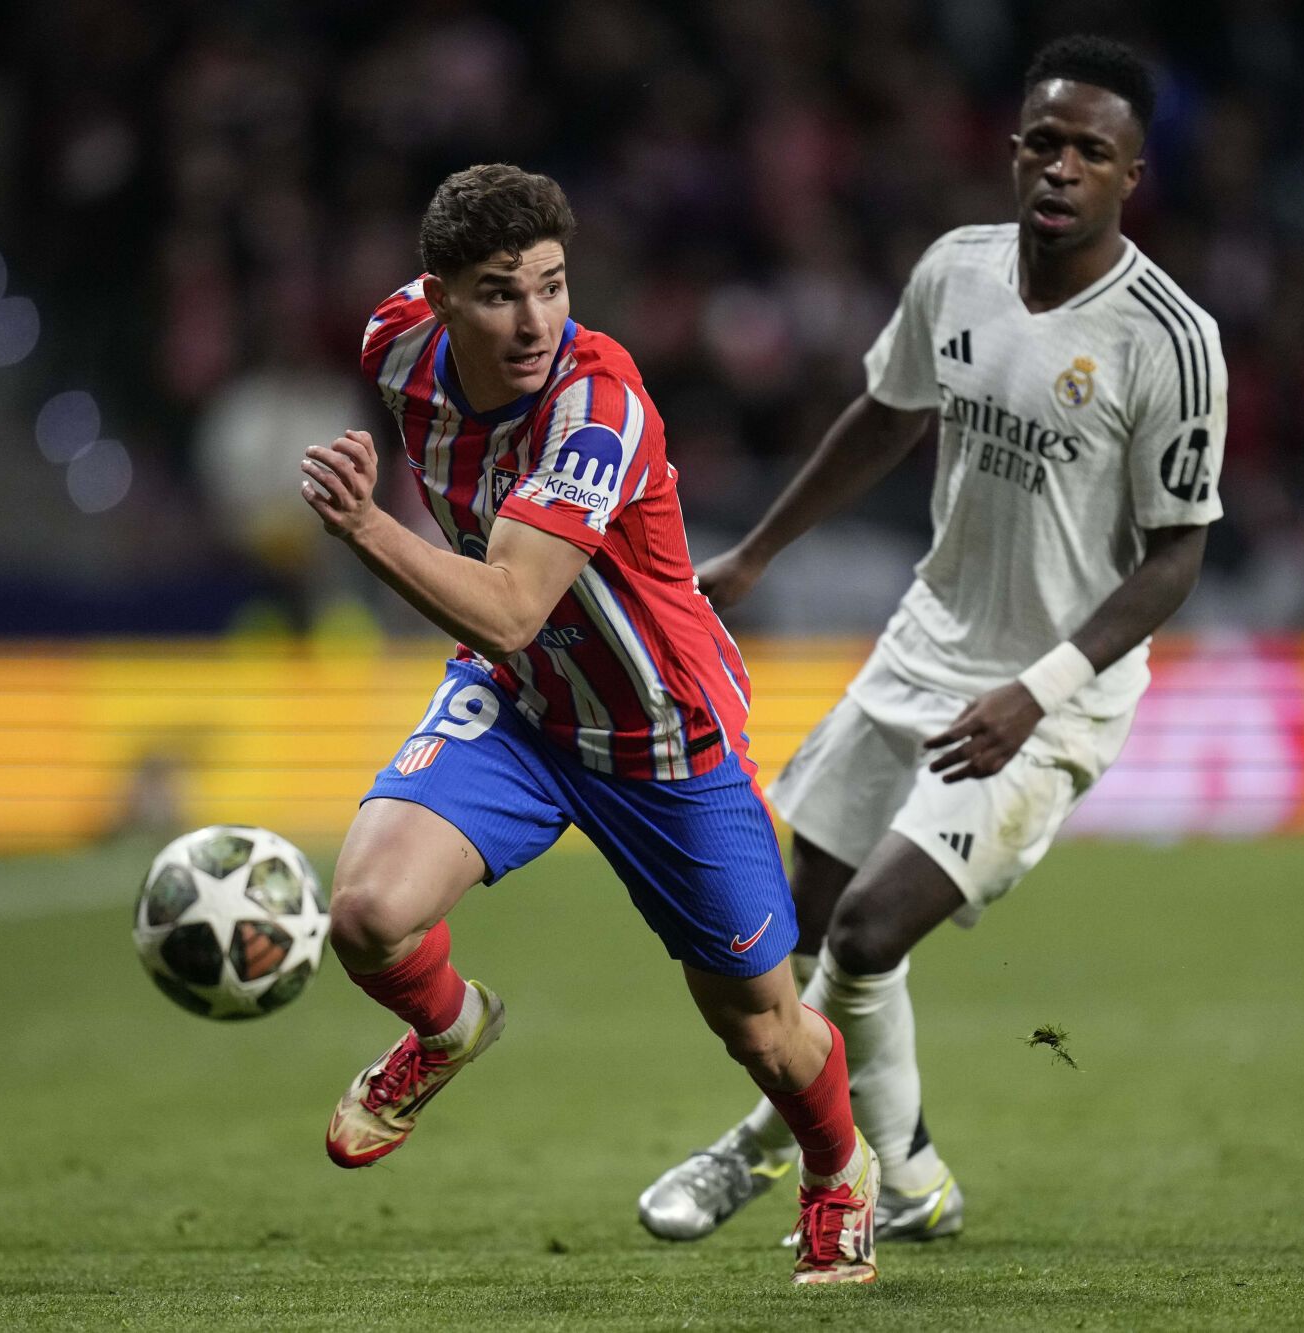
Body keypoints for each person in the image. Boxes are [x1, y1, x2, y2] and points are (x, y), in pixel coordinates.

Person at [637, 35, 1226, 1245]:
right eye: (1043, 143)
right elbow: (886, 415)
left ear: (1131, 175)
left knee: (864, 934)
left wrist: (1037, 688)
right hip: (923, 646)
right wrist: (758, 550)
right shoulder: (954, 272)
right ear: (1012, 151)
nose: (1060, 169)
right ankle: (902, 1179)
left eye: (1090, 153)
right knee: (793, 924)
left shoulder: (1169, 340)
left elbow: (1176, 557)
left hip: (1051, 692)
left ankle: (807, 1156)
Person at [301, 164, 878, 1285]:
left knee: (761, 1030)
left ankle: (836, 1171)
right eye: (498, 293)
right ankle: (448, 1026)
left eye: (553, 287)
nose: (533, 322)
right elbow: (510, 638)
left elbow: (515, 608)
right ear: (439, 296)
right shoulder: (393, 343)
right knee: (367, 914)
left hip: (660, 736)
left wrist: (367, 528)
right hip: (521, 710)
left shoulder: (596, 403)